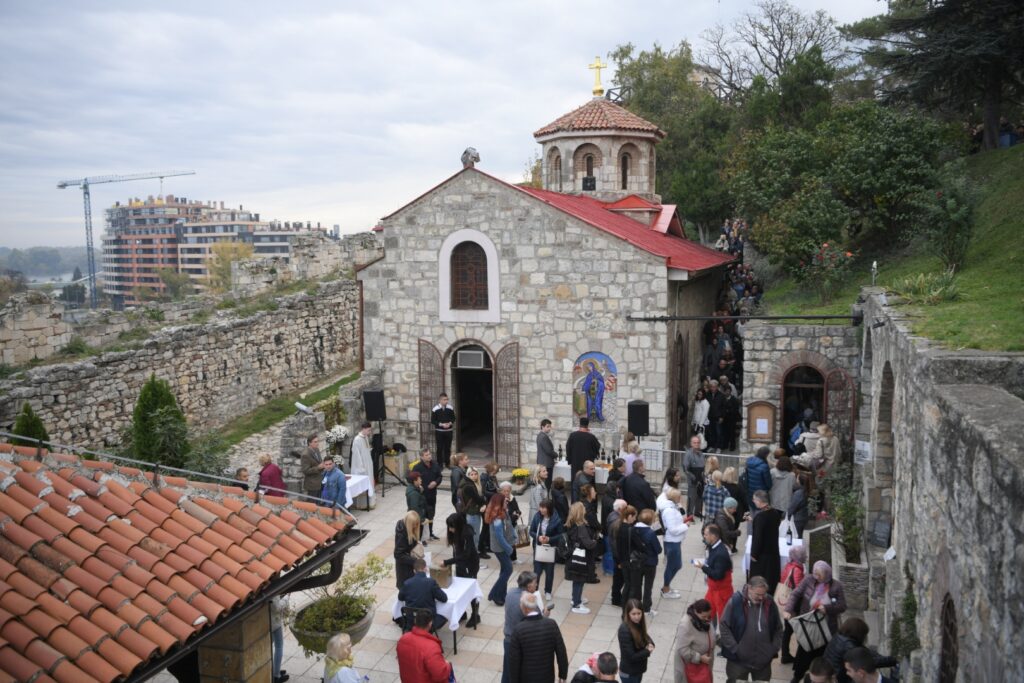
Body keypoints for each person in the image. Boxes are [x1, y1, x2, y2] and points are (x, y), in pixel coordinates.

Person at [784, 561, 848, 681]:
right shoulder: (808, 580)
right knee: (804, 653)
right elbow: (795, 594)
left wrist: (827, 608)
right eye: (815, 574)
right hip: (808, 625)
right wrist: (788, 609)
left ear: (827, 574)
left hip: (826, 628)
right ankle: (797, 677)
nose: (817, 577)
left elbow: (842, 606)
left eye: (820, 575)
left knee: (821, 657)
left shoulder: (836, 586)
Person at [719, 576, 783, 683]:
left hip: (763, 663)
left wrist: (773, 648)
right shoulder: (735, 602)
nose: (761, 598)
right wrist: (735, 649)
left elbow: (778, 628)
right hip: (738, 662)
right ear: (749, 588)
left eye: (763, 594)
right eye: (758, 594)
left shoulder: (770, 603)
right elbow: (724, 626)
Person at [507, 592, 569, 683]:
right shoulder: (551, 624)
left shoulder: (518, 630)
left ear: (524, 608)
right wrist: (563, 674)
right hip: (547, 677)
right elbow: (561, 651)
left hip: (526, 678)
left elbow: (514, 661)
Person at [503, 571, 550, 683]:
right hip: (522, 643)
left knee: (507, 673)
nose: (536, 585)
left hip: (508, 640)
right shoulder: (528, 603)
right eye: (535, 583)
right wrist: (545, 615)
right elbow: (537, 623)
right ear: (529, 586)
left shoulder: (510, 593)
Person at [823, 617, 898, 683]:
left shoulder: (840, 636)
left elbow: (864, 651)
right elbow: (866, 663)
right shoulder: (848, 646)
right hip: (839, 678)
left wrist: (880, 656)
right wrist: (893, 660)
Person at [441, 513, 481, 628]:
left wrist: (447, 562)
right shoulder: (457, 533)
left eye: (452, 526)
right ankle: (462, 613)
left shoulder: (467, 533)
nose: (450, 529)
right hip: (460, 564)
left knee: (471, 590)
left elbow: (466, 555)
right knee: (460, 588)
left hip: (470, 565)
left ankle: (475, 615)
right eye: (449, 526)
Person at [396, 609, 453, 683]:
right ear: (430, 623)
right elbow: (440, 675)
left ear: (415, 621)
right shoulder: (431, 647)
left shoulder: (403, 639)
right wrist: (447, 665)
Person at [398, 558, 449, 633]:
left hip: (412, 620)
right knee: (444, 616)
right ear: (426, 569)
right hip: (427, 621)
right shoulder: (431, 582)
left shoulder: (407, 583)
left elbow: (400, 598)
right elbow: (444, 598)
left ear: (414, 571)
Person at [565, 501, 598, 613]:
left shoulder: (570, 524)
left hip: (573, 557)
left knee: (576, 579)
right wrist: (595, 541)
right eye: (583, 507)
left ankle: (575, 598)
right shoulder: (581, 527)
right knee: (580, 579)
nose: (585, 509)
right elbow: (588, 544)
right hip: (582, 558)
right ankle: (577, 604)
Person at [673, 599, 716, 683]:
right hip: (690, 668)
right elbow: (682, 649)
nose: (707, 619)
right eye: (704, 617)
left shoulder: (703, 619)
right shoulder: (685, 625)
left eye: (709, 616)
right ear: (696, 612)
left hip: (704, 667)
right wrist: (699, 658)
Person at [749, 489, 783, 593]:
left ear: (759, 501)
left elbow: (757, 537)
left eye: (754, 499)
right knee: (771, 578)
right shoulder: (775, 512)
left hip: (762, 555)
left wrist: (754, 554)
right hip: (773, 551)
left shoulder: (760, 517)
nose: (753, 501)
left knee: (761, 579)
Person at [696, 523, 733, 619]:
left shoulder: (720, 553)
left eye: (706, 534)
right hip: (713, 589)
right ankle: (709, 631)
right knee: (707, 613)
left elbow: (718, 575)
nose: (704, 536)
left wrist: (703, 567)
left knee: (724, 618)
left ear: (713, 536)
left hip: (721, 593)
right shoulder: (713, 546)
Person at [529, 499, 563, 600]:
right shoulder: (537, 516)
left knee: (549, 572)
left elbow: (560, 535)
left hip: (550, 548)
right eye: (541, 507)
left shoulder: (556, 519)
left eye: (544, 508)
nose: (542, 510)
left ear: (549, 509)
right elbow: (531, 531)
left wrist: (549, 539)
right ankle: (535, 590)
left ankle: (548, 591)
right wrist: (538, 537)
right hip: (538, 547)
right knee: (537, 572)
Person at [779, 545, 808, 664]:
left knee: (788, 630)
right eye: (804, 554)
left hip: (787, 602)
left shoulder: (788, 565)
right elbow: (798, 590)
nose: (806, 556)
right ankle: (794, 657)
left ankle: (785, 655)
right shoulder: (797, 569)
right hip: (794, 606)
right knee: (796, 631)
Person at [486, 492, 515, 606]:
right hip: (500, 548)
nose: (507, 502)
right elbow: (500, 537)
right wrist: (509, 549)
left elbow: (509, 526)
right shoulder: (497, 519)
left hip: (503, 546)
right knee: (508, 570)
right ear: (499, 503)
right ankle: (494, 594)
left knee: (504, 570)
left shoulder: (502, 512)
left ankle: (501, 596)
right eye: (504, 501)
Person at [632, 509, 661, 617]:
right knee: (648, 587)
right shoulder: (650, 533)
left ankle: (636, 606)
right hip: (650, 563)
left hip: (636, 562)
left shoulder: (633, 530)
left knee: (636, 585)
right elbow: (658, 549)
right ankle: (646, 608)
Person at [659, 488, 686, 600]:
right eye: (679, 496)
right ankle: (666, 589)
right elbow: (673, 529)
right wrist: (685, 526)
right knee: (673, 566)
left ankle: (667, 586)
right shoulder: (669, 510)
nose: (681, 498)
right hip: (672, 541)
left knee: (676, 565)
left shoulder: (673, 507)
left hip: (675, 541)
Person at [618, 599, 654, 682]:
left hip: (636, 670)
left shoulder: (637, 623)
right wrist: (647, 651)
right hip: (629, 673)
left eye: (639, 613)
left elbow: (645, 636)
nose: (637, 617)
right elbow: (631, 656)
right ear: (628, 614)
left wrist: (650, 643)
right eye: (633, 614)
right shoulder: (624, 630)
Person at [412, 448, 442, 540]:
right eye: (426, 455)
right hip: (422, 496)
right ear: (421, 457)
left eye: (429, 454)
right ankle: (421, 537)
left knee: (431, 514)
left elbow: (439, 476)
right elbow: (412, 480)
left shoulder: (435, 465)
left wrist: (435, 483)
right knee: (423, 516)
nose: (429, 456)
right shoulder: (417, 467)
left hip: (432, 495)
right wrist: (420, 487)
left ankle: (430, 533)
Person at [459, 467, 487, 560]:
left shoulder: (471, 483)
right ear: (468, 475)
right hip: (472, 514)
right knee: (474, 536)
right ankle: (473, 557)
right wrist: (483, 504)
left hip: (473, 512)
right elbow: (478, 499)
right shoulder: (469, 486)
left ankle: (472, 554)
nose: (474, 476)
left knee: (473, 535)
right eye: (472, 474)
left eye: (475, 474)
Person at [615, 505, 639, 608]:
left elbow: (618, 547)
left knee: (627, 583)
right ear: (629, 516)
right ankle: (626, 604)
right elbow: (639, 545)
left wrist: (619, 561)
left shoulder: (619, 527)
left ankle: (623, 603)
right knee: (630, 585)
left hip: (623, 560)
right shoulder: (631, 530)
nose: (634, 519)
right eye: (634, 517)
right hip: (630, 561)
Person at [606, 498, 628, 606]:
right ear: (620, 509)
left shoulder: (612, 516)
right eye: (625, 508)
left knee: (618, 578)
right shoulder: (616, 522)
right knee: (619, 578)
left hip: (617, 554)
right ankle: (616, 598)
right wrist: (620, 559)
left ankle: (616, 597)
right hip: (618, 556)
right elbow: (615, 543)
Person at [394, 511, 423, 588]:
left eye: (417, 524)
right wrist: (415, 561)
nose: (416, 526)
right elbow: (398, 554)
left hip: (409, 566)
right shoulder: (403, 535)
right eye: (414, 524)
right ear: (409, 524)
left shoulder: (406, 530)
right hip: (405, 570)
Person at [350, 422, 376, 509]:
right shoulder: (357, 439)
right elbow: (356, 455)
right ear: (363, 429)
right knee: (362, 484)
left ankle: (370, 502)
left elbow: (366, 449)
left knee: (370, 481)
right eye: (368, 430)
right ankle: (362, 504)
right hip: (361, 466)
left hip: (368, 463)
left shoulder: (366, 437)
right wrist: (361, 467)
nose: (369, 432)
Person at [479, 461, 500, 556]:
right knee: (485, 526)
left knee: (488, 526)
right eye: (494, 471)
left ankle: (487, 545)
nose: (495, 473)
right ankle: (481, 547)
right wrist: (495, 494)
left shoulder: (492, 477)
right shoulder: (484, 477)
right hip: (486, 504)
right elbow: (483, 492)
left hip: (492, 504)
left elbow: (495, 488)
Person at [682, 436, 706, 518]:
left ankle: (697, 512)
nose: (696, 444)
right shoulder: (688, 454)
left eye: (698, 442)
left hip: (701, 478)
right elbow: (686, 468)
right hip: (692, 479)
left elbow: (703, 467)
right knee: (691, 497)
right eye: (694, 442)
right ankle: (689, 514)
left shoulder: (701, 454)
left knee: (699, 496)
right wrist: (693, 478)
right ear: (691, 444)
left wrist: (703, 477)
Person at [431, 393, 455, 470]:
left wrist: (450, 423)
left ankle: (447, 463)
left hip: (449, 431)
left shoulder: (450, 408)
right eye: (445, 399)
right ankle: (440, 464)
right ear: (440, 400)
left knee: (448, 448)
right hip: (439, 432)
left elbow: (453, 418)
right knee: (440, 448)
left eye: (447, 399)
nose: (446, 401)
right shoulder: (435, 409)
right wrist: (441, 424)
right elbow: (433, 421)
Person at [744, 447, 773, 511]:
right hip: (761, 491)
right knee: (761, 510)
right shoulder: (764, 466)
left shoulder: (749, 461)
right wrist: (769, 487)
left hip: (750, 489)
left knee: (753, 508)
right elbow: (768, 481)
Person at [300, 433, 326, 501]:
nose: (317, 443)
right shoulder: (305, 455)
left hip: (319, 482)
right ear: (309, 443)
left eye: (318, 441)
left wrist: (324, 465)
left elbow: (318, 462)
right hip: (312, 484)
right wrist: (318, 468)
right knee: (312, 504)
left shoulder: (316, 450)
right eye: (315, 442)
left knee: (318, 503)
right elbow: (305, 470)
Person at [270, 595, 289, 683]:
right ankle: (276, 676)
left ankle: (274, 670)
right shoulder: (271, 588)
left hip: (269, 622)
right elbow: (277, 607)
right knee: (279, 647)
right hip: (274, 622)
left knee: (271, 647)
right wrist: (286, 599)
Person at [537, 419, 556, 487]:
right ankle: (546, 496)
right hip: (546, 463)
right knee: (547, 482)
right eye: (547, 426)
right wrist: (556, 455)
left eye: (550, 426)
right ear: (542, 427)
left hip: (543, 462)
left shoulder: (540, 435)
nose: (549, 428)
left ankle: (545, 495)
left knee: (544, 482)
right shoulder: (543, 437)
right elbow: (549, 451)